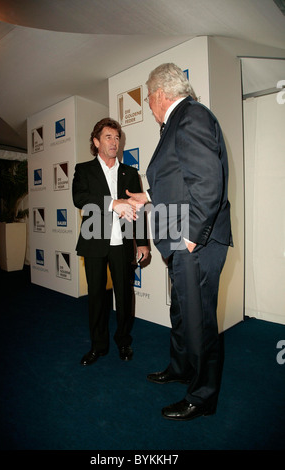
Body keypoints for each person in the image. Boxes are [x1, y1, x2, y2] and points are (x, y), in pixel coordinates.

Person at [126, 63, 233, 421]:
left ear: (159, 94)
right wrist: (149, 201)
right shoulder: (177, 122)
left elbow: (208, 183)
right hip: (180, 239)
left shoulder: (192, 116)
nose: (150, 108)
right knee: (182, 314)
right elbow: (182, 185)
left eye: (148, 100)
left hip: (194, 243)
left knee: (199, 320)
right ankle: (181, 368)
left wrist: (190, 238)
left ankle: (202, 397)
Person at [72, 117, 149, 366]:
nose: (114, 142)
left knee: (125, 296)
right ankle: (98, 345)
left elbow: (137, 209)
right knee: (96, 296)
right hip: (95, 240)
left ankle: (123, 340)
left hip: (124, 243)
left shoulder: (129, 172)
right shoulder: (84, 170)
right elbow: (79, 197)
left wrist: (143, 242)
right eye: (108, 137)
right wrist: (113, 203)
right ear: (96, 142)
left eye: (117, 138)